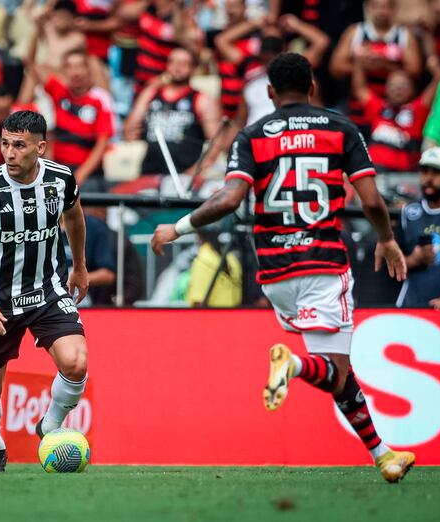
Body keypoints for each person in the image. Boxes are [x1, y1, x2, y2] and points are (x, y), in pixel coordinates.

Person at [151, 53, 415, 482]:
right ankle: (290, 364)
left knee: (337, 373)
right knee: (332, 368)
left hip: (274, 271)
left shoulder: (252, 136)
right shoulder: (341, 129)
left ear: (270, 93)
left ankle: (384, 455)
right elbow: (369, 200)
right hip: (323, 262)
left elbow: (230, 200)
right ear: (312, 85)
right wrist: (386, 240)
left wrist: (177, 228)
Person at [0, 110, 89, 472]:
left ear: (40, 147)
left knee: (76, 362)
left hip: (49, 291)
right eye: (5, 143)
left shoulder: (62, 179)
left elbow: (74, 217)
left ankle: (50, 426)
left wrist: (80, 266)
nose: (9, 153)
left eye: (19, 145)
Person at [123, 47, 222, 176]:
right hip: (150, 172)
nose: (177, 68)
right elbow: (128, 131)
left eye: (183, 63)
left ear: (193, 68)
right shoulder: (152, 93)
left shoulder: (201, 99)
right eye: (173, 62)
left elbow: (216, 142)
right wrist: (148, 91)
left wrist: (195, 171)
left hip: (183, 173)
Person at [24, 49, 115, 190]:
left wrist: (80, 175)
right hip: (58, 171)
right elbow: (31, 63)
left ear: (88, 70)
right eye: (70, 67)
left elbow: (102, 144)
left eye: (79, 66)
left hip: (89, 175)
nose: (75, 72)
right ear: (64, 72)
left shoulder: (100, 98)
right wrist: (38, 30)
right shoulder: (59, 91)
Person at [330, 0, 422, 133]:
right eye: (377, 7)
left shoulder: (404, 35)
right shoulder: (355, 32)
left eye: (386, 7)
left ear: (394, 9)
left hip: (395, 109)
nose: (381, 12)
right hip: (358, 104)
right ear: (368, 8)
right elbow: (335, 67)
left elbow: (415, 71)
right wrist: (364, 66)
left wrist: (384, 66)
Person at [353, 57, 440, 173]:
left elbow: (438, 81)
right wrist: (358, 62)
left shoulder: (418, 109)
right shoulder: (378, 107)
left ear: (412, 90)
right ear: (386, 89)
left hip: (404, 176)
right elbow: (359, 89)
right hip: (374, 171)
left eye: (402, 86)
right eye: (393, 86)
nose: (397, 90)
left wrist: (435, 68)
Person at [395, 147, 440, 309]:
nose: (428, 178)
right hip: (412, 306)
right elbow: (390, 266)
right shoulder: (408, 213)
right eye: (424, 171)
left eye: (436, 172)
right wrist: (414, 260)